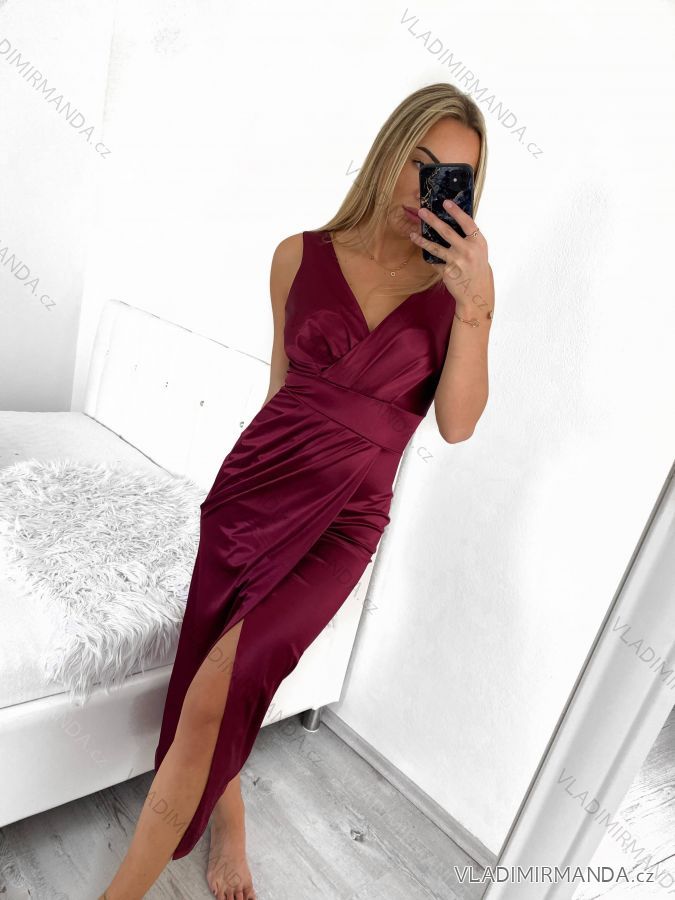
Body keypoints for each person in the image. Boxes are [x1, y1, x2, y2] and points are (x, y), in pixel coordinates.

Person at [98, 80, 493, 900]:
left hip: (343, 523)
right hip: (252, 495)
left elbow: (456, 425)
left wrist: (476, 309)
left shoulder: (457, 295)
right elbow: (281, 393)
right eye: (420, 163)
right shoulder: (297, 256)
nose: (428, 188)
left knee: (218, 689)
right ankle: (230, 817)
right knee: (209, 679)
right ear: (389, 154)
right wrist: (243, 494)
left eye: (450, 177)